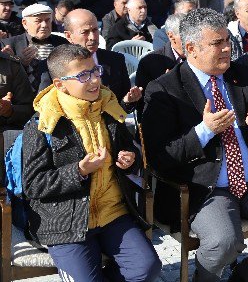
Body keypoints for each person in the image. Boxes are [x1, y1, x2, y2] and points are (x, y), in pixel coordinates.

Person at [143, 8, 248, 281]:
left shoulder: (243, 75)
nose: (227, 49)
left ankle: (247, 277)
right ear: (191, 48)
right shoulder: (164, 89)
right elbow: (160, 157)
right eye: (217, 43)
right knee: (224, 241)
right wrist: (205, 131)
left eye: (226, 41)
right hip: (206, 187)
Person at [22, 44, 162, 282]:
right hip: (66, 222)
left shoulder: (108, 108)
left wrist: (129, 159)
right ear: (59, 84)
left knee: (147, 268)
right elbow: (34, 185)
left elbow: (131, 150)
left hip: (113, 213)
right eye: (83, 76)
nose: (94, 80)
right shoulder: (41, 125)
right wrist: (78, 171)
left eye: (95, 71)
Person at [36, 9, 140, 109]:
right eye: (85, 32)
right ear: (68, 35)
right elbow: (44, 107)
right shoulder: (51, 66)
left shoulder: (115, 60)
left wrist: (127, 102)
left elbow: (122, 107)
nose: (92, 37)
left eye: (95, 30)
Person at [1, 4, 68, 94]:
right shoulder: (8, 45)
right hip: (23, 101)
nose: (44, 25)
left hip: (56, 100)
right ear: (25, 23)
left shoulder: (63, 44)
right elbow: (3, 81)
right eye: (38, 21)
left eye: (48, 20)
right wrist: (18, 64)